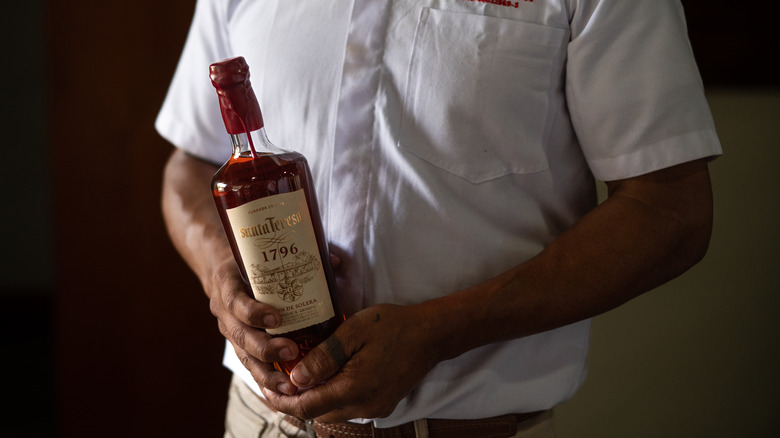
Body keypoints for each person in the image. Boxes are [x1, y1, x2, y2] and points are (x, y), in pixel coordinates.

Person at [158, 1, 721, 437]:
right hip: (260, 424)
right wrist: (220, 277)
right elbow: (189, 162)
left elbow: (670, 209)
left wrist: (441, 331)